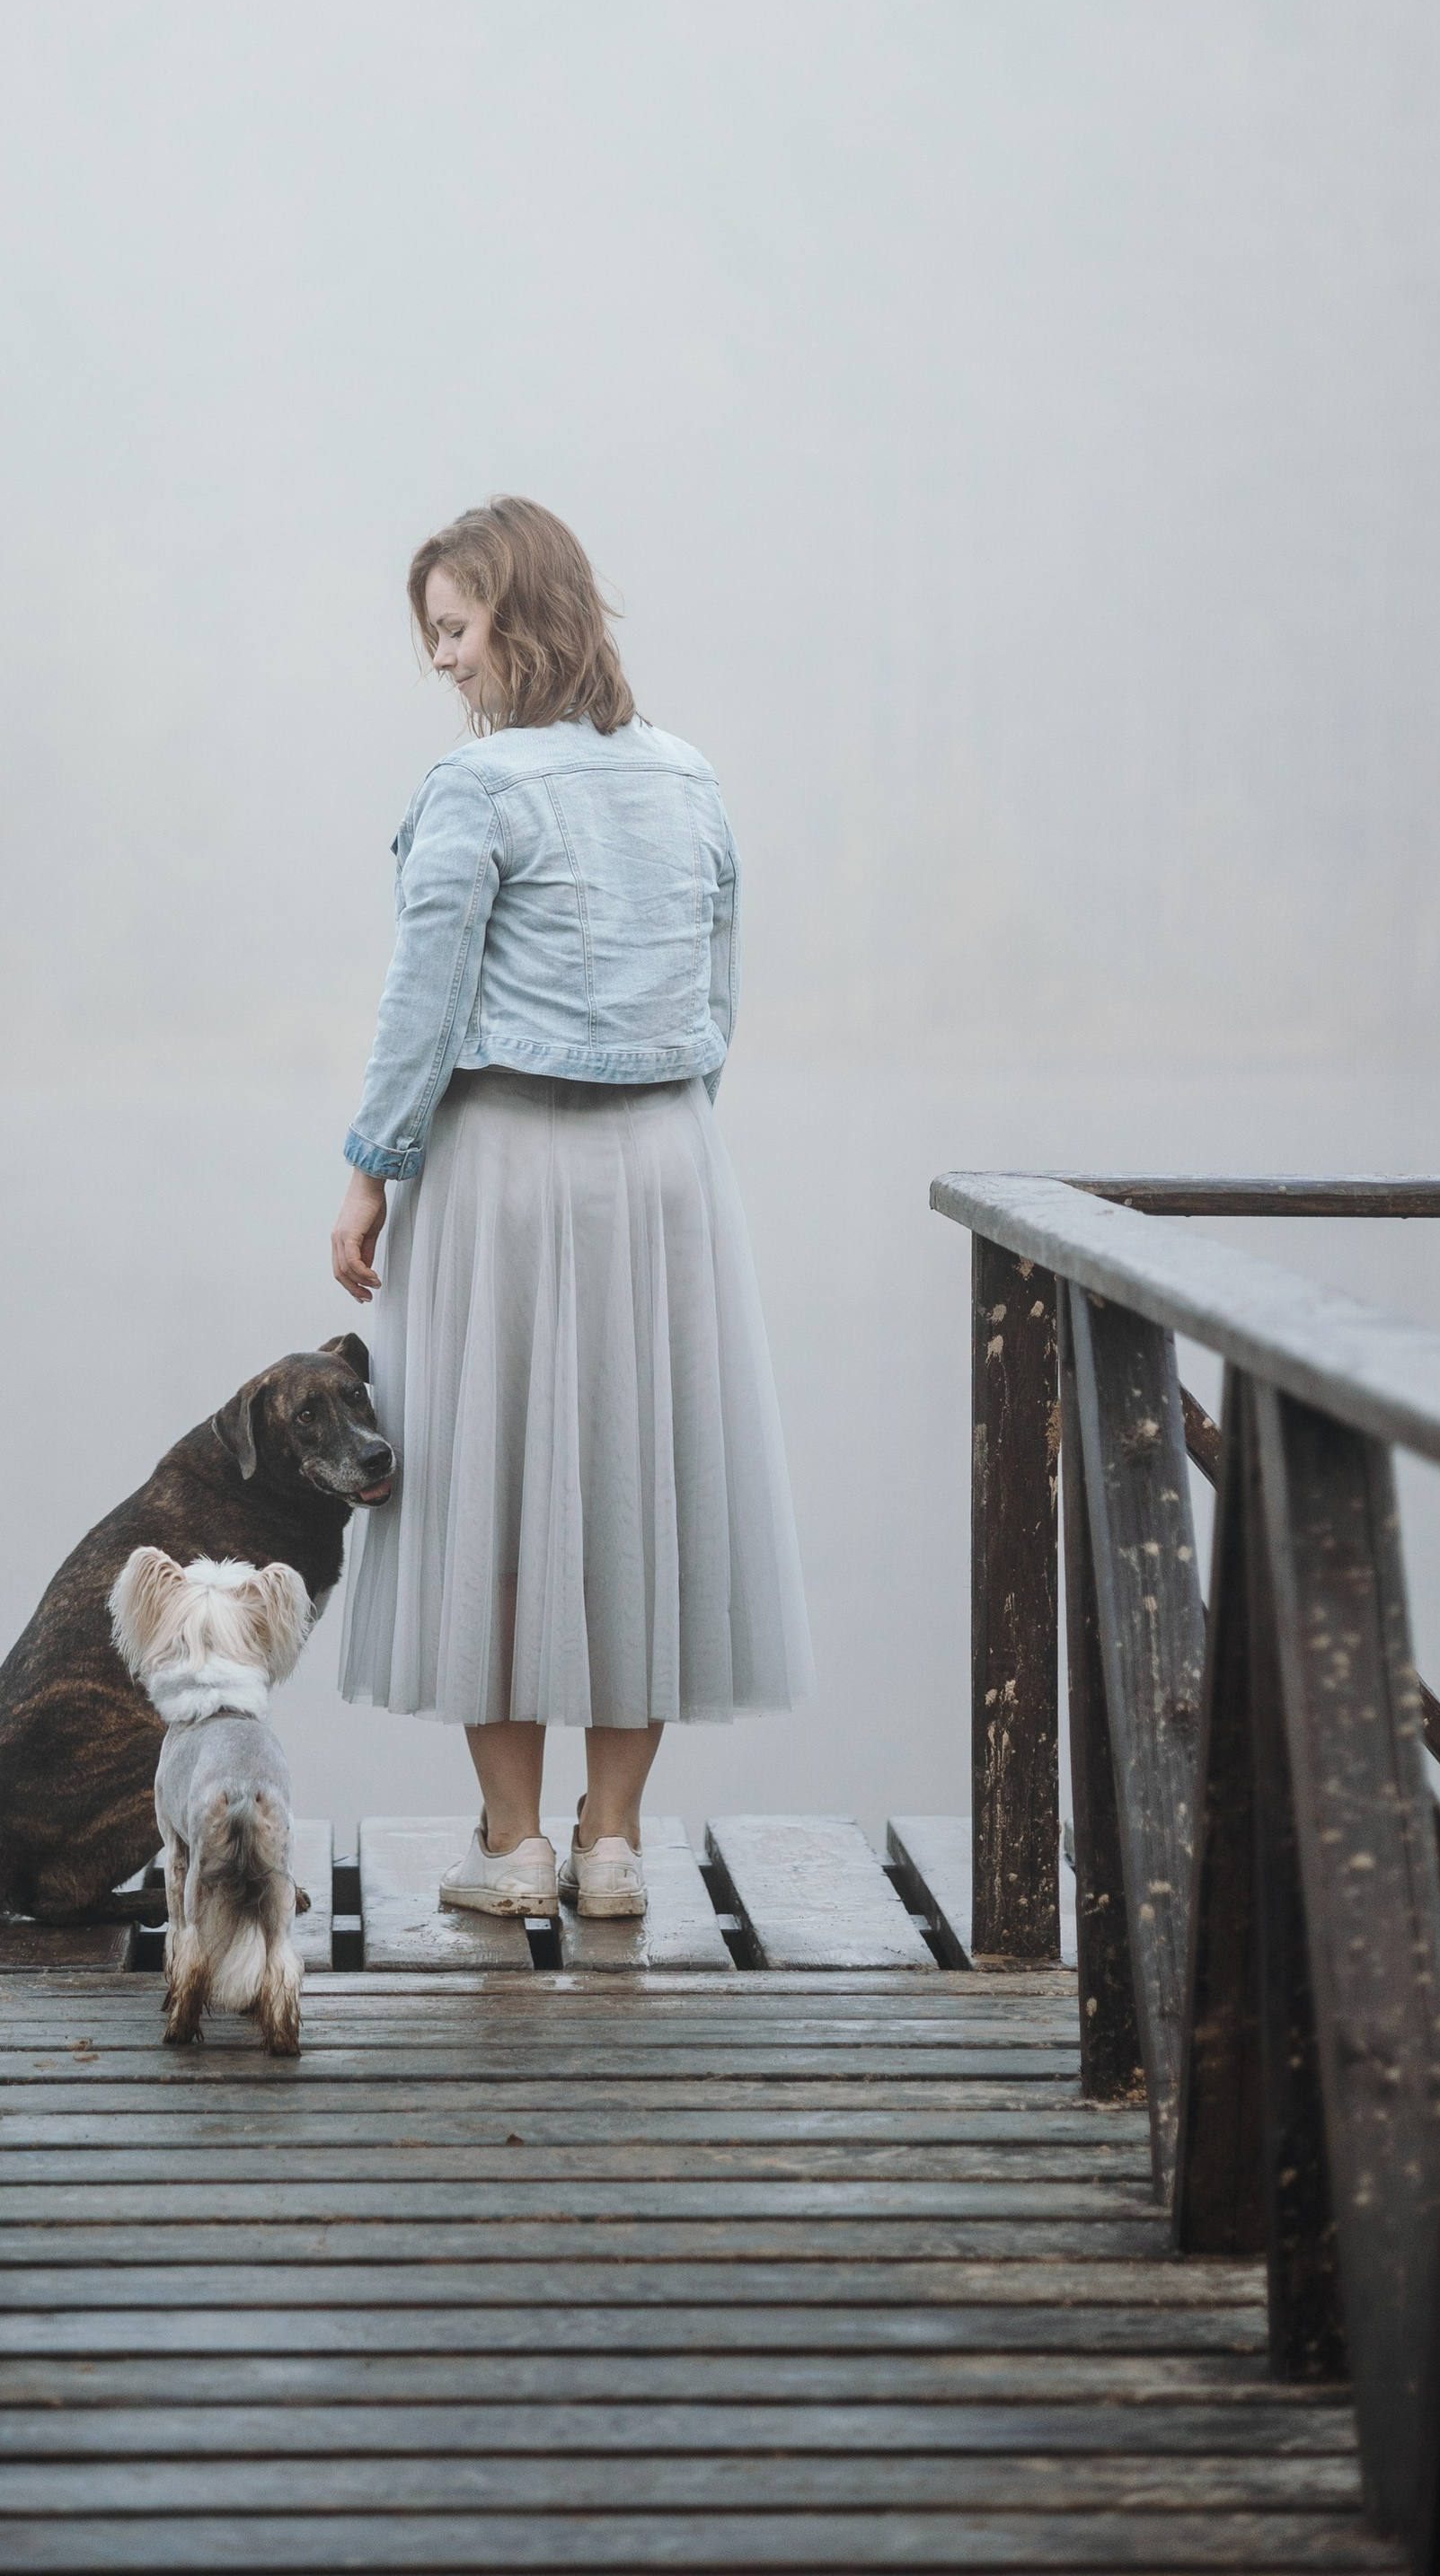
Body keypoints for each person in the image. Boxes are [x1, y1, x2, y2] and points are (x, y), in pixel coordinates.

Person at [330, 495, 813, 1921]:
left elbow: (423, 1008)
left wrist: (370, 1164)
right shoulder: (689, 778)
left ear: (517, 626)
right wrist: (662, 1133)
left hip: (503, 1171)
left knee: (493, 1489)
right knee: (638, 1492)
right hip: (668, 1176)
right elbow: (716, 1007)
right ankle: (615, 1849)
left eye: (455, 629)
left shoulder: (476, 793)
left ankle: (516, 1846)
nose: (441, 660)